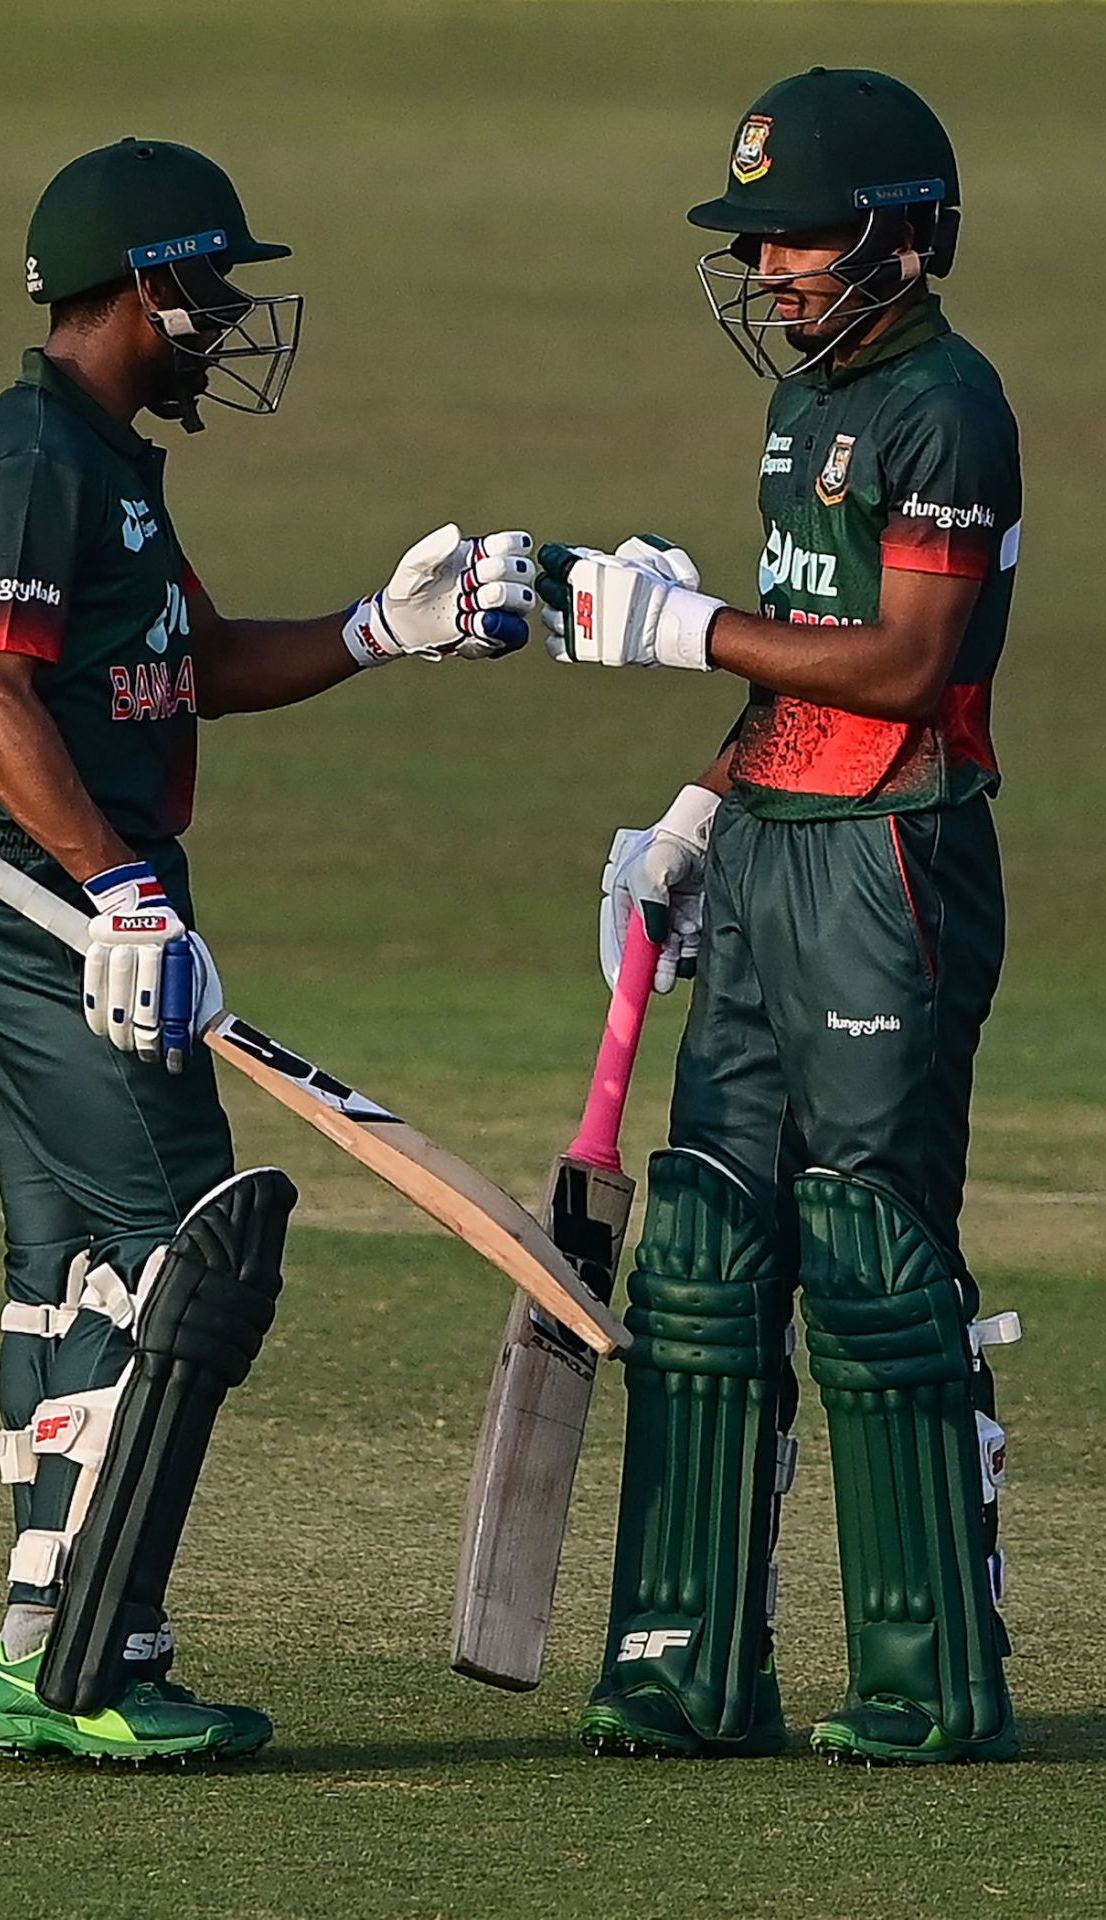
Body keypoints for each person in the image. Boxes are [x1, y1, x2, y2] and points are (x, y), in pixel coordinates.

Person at [0, 136, 535, 1763]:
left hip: (69, 889)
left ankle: (41, 1644)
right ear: (141, 287)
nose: (229, 317)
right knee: (186, 1247)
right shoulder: (36, 457)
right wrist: (121, 892)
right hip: (46, 896)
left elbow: (179, 669)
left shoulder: (102, 459)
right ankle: (99, 1662)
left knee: (75, 1269)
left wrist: (375, 632)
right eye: (213, 285)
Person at [538, 68, 1023, 1766]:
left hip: (896, 865)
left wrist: (683, 631)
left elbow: (905, 666)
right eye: (756, 244)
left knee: (875, 1258)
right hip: (771, 858)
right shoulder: (803, 410)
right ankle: (685, 1665)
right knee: (709, 1250)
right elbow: (798, 656)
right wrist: (695, 815)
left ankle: (925, 1676)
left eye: (797, 239)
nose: (770, 271)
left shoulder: (947, 408)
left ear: (900, 237)